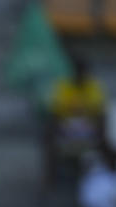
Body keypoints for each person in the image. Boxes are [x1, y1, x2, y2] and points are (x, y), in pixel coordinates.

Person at [45, 55, 106, 186]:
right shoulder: (63, 85)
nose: (79, 74)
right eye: (76, 70)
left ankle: (102, 180)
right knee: (48, 140)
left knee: (107, 143)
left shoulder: (94, 86)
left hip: (89, 130)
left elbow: (101, 114)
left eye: (82, 70)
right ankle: (50, 182)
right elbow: (54, 114)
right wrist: (58, 131)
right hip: (67, 130)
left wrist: (99, 133)